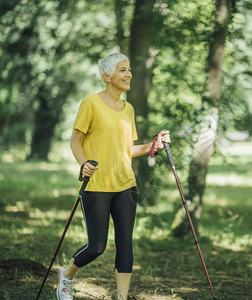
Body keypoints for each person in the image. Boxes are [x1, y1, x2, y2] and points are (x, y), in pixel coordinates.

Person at [56, 53, 170, 300]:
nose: (128, 74)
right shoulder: (91, 102)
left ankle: (121, 296)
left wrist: (154, 146)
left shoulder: (128, 109)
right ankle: (67, 275)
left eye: (129, 69)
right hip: (97, 183)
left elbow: (126, 149)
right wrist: (84, 163)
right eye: (122, 70)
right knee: (97, 246)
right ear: (106, 76)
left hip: (125, 184)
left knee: (125, 245)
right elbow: (76, 140)